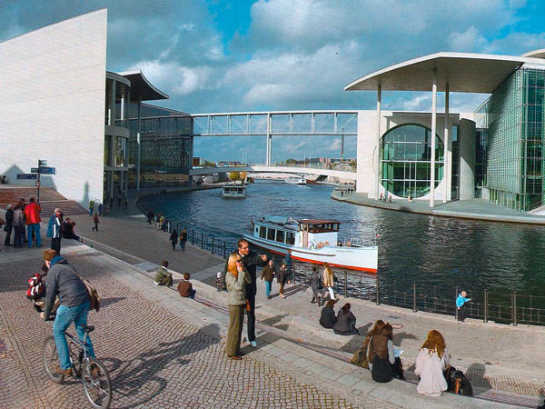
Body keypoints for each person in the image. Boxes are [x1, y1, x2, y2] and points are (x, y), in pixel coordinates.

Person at [40, 249, 96, 377]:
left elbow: (50, 296)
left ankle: (66, 367)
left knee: (58, 331)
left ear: (48, 262)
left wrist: (46, 314)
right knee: (81, 330)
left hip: (71, 303)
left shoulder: (53, 271)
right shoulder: (69, 266)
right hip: (85, 301)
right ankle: (93, 364)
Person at [225, 239, 267, 348]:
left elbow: (260, 260)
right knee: (237, 317)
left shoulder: (252, 255)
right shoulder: (233, 257)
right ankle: (235, 339)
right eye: (245, 248)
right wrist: (228, 288)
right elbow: (227, 271)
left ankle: (251, 337)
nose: (248, 249)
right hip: (238, 291)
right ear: (239, 249)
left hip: (249, 291)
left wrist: (265, 259)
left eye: (248, 247)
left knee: (251, 315)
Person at [225, 253, 250, 360]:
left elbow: (249, 281)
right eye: (238, 261)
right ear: (233, 262)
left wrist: (243, 271)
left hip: (241, 302)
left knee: (239, 328)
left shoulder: (239, 272)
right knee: (234, 328)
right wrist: (240, 272)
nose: (241, 262)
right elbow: (239, 287)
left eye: (241, 261)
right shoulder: (229, 275)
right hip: (234, 304)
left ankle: (236, 348)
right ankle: (231, 352)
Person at [414, 329, 449, 397]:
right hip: (439, 387)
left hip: (424, 388)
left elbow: (418, 370)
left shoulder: (423, 351)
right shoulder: (443, 350)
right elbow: (445, 366)